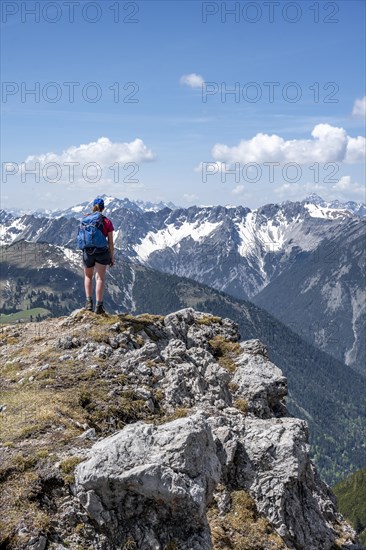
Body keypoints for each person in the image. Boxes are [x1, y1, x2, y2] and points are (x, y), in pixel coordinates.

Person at [82, 197, 114, 314]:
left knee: (88, 277)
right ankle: (99, 307)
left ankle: (88, 303)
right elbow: (110, 242)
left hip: (88, 251)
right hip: (102, 252)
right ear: (103, 208)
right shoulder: (107, 221)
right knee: (99, 278)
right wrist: (112, 256)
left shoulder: (85, 219)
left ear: (93, 207)